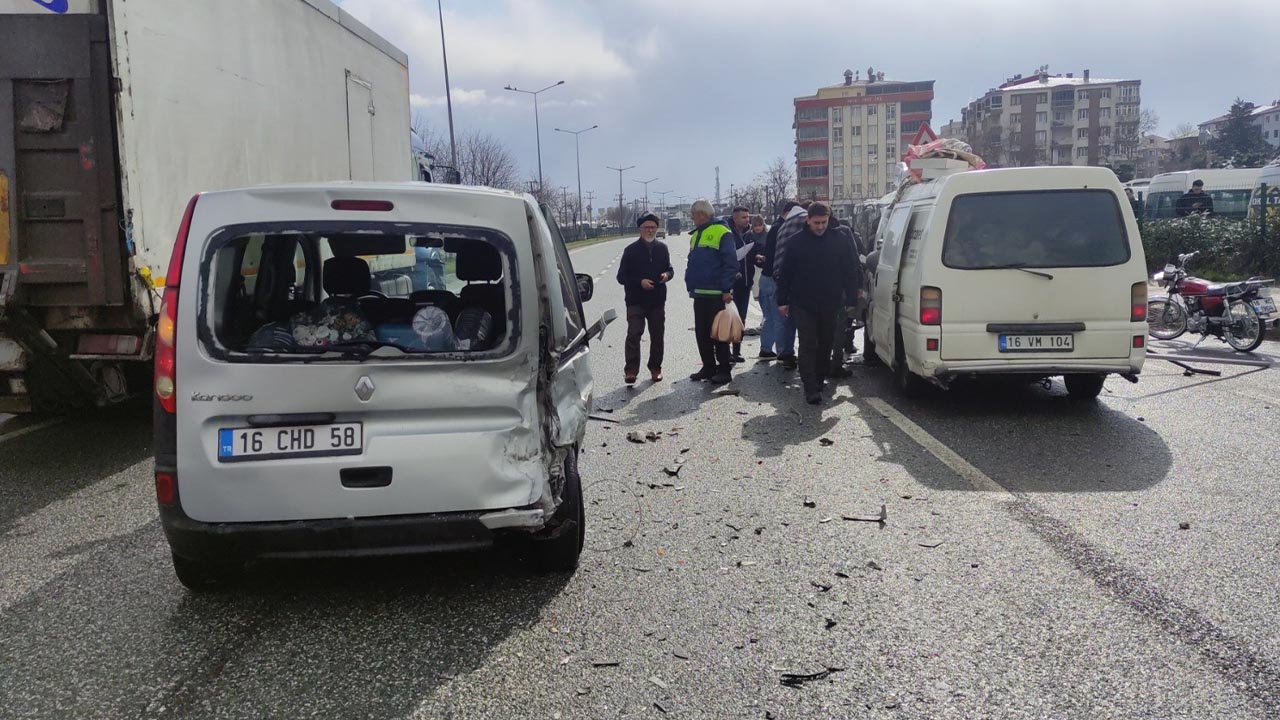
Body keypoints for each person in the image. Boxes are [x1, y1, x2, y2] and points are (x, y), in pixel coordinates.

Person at [776, 202, 860, 405]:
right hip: (803, 302)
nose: (820, 226)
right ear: (808, 220)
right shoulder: (797, 242)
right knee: (808, 344)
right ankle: (810, 386)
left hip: (831, 302)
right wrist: (782, 301)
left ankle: (819, 377)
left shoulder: (840, 239)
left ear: (829, 219)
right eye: (816, 222)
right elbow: (785, 273)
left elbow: (851, 269)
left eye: (824, 222)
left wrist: (851, 298)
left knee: (826, 343)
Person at [684, 198, 738, 385]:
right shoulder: (696, 234)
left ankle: (724, 369)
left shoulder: (722, 232)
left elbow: (731, 264)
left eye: (693, 215)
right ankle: (708, 367)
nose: (692, 218)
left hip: (716, 294)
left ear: (702, 214)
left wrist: (726, 288)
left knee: (719, 333)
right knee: (702, 333)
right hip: (699, 293)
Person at [616, 212, 673, 384]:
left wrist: (666, 275)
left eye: (653, 227)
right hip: (635, 300)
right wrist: (639, 282)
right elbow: (621, 277)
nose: (650, 230)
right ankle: (631, 370)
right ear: (640, 229)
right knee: (634, 333)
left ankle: (656, 368)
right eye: (646, 227)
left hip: (657, 300)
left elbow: (670, 269)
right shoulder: (631, 251)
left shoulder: (662, 248)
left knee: (657, 335)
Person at [766, 200, 810, 369]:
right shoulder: (802, 220)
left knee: (786, 320)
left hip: (782, 278)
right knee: (806, 320)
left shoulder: (785, 225)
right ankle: (805, 355)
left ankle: (786, 353)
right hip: (801, 281)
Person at [728, 206, 755, 363]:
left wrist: (757, 256)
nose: (747, 220)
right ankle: (725, 350)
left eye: (748, 217)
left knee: (741, 317)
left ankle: (737, 350)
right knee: (728, 317)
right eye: (743, 217)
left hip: (745, 282)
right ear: (735, 218)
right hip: (730, 283)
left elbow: (754, 251)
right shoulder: (727, 233)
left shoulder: (750, 234)